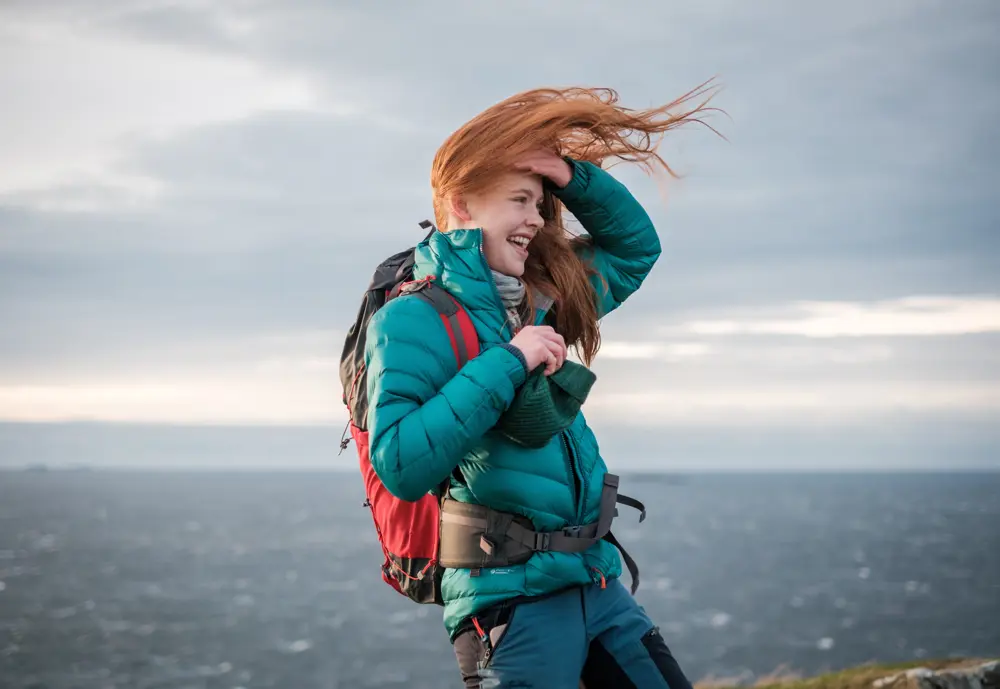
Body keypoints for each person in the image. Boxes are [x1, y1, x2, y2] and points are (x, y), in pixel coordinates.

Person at [363, 84, 718, 688]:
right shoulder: (412, 317)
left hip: (596, 583)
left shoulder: (539, 300)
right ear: (463, 204)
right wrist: (509, 360)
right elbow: (400, 460)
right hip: (511, 603)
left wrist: (572, 178)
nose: (535, 218)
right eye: (520, 200)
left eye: (539, 203)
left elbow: (636, 250)